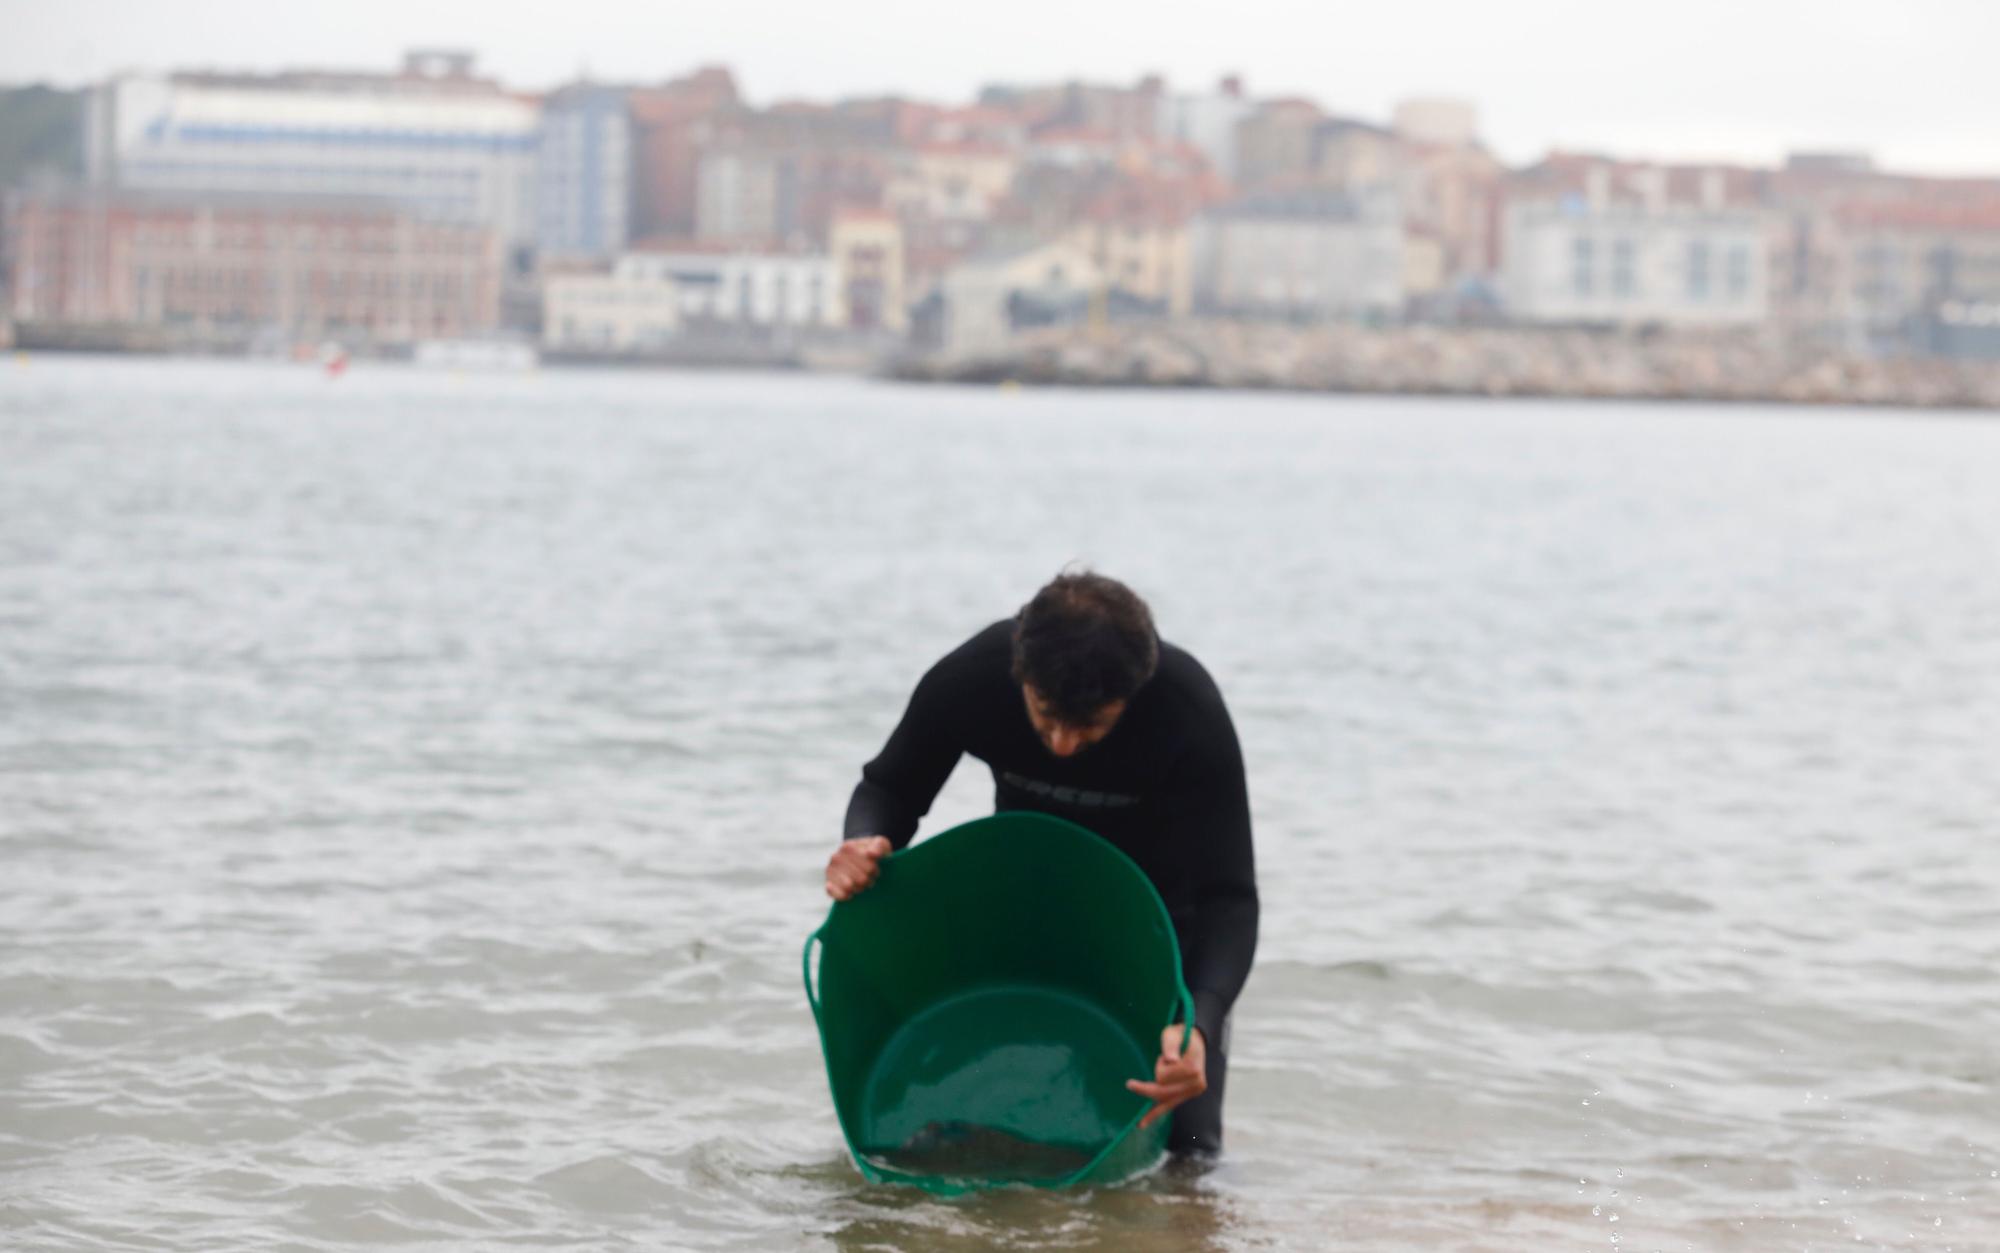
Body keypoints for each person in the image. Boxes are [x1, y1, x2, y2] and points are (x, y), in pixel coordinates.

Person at [826, 570, 1258, 1156]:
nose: (1060, 744)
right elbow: (890, 789)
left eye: (1090, 726)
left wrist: (1199, 1022)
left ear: (1135, 690)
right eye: (1045, 713)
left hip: (1157, 935)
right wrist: (865, 841)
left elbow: (1229, 898)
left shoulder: (1187, 712)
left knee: (1190, 1154)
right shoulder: (975, 676)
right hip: (1026, 918)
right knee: (962, 1131)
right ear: (1020, 673)